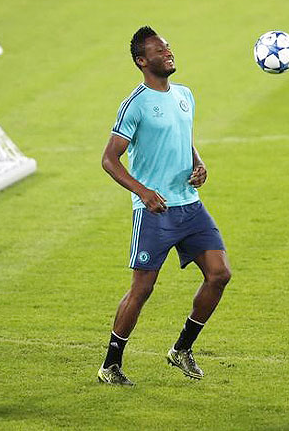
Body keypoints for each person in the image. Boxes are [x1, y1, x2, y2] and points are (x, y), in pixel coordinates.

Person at [97, 26, 231, 386]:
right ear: (142, 61)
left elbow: (182, 137)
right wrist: (143, 192)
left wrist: (198, 163)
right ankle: (110, 365)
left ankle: (181, 350)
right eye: (159, 51)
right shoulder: (136, 105)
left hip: (190, 206)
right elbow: (110, 159)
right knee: (142, 289)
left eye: (168, 47)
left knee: (219, 274)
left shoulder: (185, 95)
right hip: (155, 212)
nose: (168, 53)